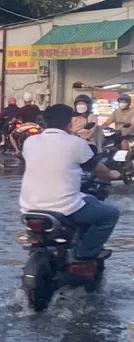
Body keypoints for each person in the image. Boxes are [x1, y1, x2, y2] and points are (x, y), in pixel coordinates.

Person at [20, 103, 120, 261]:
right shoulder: (76, 143)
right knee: (111, 214)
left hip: (29, 208)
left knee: (89, 201)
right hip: (66, 209)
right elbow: (100, 171)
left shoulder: (30, 142)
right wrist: (113, 174)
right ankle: (87, 252)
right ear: (69, 123)